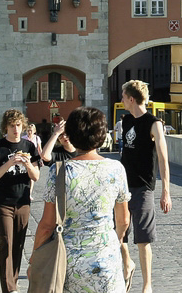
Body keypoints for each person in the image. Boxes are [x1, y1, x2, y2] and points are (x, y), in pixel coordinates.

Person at [30, 107, 130, 293]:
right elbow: (123, 220)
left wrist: (35, 258)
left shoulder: (59, 171)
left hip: (69, 264)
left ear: (72, 135)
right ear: (101, 135)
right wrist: (112, 241)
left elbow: (46, 225)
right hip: (106, 260)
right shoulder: (116, 169)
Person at [119, 80, 173, 293]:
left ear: (131, 99)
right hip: (123, 186)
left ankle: (147, 285)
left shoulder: (154, 123)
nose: (122, 99)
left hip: (143, 187)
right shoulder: (125, 121)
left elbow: (163, 158)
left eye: (123, 96)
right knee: (118, 234)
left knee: (143, 239)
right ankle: (127, 263)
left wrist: (165, 192)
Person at [0, 109, 40, 293]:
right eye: (12, 126)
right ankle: (9, 289)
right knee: (6, 244)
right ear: (5, 127)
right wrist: (9, 163)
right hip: (3, 202)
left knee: (18, 245)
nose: (16, 129)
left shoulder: (29, 147)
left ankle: (13, 283)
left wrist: (26, 164)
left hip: (23, 202)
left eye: (18, 125)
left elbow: (36, 176)